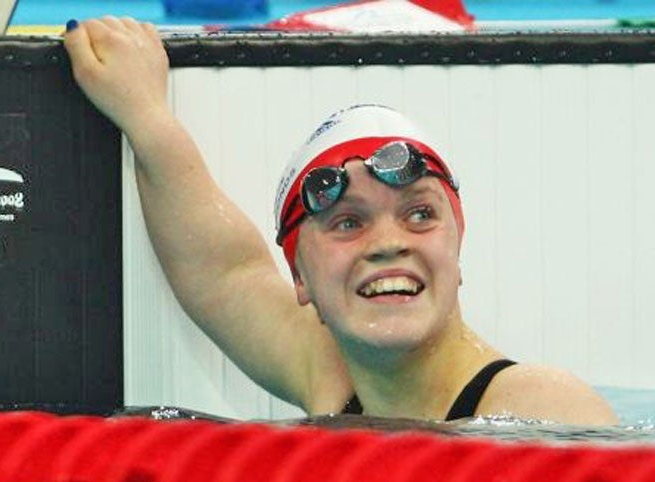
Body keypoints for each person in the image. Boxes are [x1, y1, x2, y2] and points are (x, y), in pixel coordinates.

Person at [63, 17, 617, 425]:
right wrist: (144, 115)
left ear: (457, 243)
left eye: (419, 214)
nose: (387, 243)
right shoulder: (330, 378)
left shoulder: (541, 406)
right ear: (301, 279)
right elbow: (226, 275)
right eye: (348, 223)